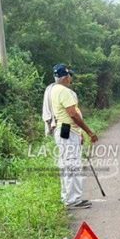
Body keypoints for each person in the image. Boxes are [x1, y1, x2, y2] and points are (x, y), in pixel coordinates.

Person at [46, 63, 98, 210]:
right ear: (66, 76)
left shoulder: (54, 89)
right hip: (67, 130)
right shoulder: (64, 91)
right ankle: (73, 200)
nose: (71, 78)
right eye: (69, 75)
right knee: (73, 165)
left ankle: (67, 197)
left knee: (66, 164)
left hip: (66, 130)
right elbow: (73, 114)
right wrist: (89, 132)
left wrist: (79, 133)